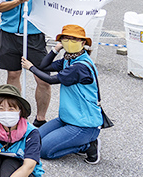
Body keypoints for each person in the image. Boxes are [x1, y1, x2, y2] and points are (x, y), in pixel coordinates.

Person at [22, 24, 103, 164]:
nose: (70, 42)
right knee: (32, 139)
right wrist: (55, 49)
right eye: (66, 39)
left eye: (74, 39)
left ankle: (88, 145)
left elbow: (51, 79)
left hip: (83, 125)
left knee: (43, 151)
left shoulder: (80, 67)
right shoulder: (70, 58)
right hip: (66, 119)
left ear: (83, 43)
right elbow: (44, 66)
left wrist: (30, 68)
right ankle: (75, 141)